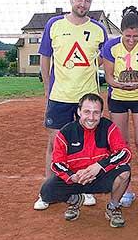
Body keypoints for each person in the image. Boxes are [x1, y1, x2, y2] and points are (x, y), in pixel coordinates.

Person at [34, 0, 108, 210]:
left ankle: (84, 189)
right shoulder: (54, 25)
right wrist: (48, 89)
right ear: (71, 0)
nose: (83, 4)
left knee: (87, 146)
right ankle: (48, 191)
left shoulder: (98, 29)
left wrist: (91, 66)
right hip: (60, 96)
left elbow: (105, 57)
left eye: (87, 0)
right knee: (56, 143)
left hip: (87, 99)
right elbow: (45, 57)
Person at [35, 93, 132, 227]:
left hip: (100, 175)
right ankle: (75, 199)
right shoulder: (66, 132)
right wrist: (72, 177)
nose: (91, 118)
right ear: (79, 111)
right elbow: (57, 163)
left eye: (96, 113)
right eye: (87, 112)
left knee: (124, 172)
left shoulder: (109, 127)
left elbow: (125, 153)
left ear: (101, 113)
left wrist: (99, 166)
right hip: (76, 178)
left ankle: (113, 207)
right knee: (47, 192)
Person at [101, 6, 138, 209]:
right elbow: (108, 77)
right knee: (122, 144)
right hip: (118, 97)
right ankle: (127, 190)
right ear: (121, 32)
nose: (131, 40)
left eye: (135, 36)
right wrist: (119, 84)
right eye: (127, 36)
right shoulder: (111, 47)